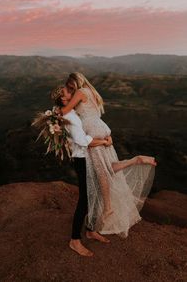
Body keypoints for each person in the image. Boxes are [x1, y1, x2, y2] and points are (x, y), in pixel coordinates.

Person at [60, 72, 156, 238]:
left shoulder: (81, 92)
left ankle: (108, 207)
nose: (69, 91)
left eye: (70, 87)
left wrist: (54, 112)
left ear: (75, 83)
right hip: (102, 128)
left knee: (102, 171)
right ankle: (135, 160)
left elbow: (64, 111)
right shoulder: (92, 92)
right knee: (107, 167)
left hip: (93, 132)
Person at [51, 85, 112, 257]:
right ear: (63, 99)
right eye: (67, 92)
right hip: (82, 159)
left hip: (87, 157)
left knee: (95, 193)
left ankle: (91, 230)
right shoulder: (69, 116)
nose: (72, 93)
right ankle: (75, 240)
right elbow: (81, 140)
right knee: (85, 198)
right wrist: (103, 142)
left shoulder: (71, 111)